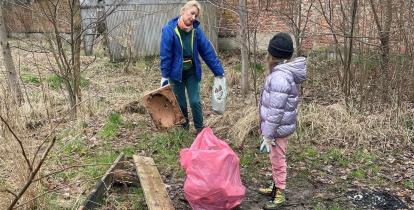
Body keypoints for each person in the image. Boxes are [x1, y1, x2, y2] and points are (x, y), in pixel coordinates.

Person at [258, 32, 307, 210]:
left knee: (278, 158)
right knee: (274, 158)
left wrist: (268, 135)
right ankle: (275, 185)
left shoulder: (279, 77)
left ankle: (280, 193)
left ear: (272, 55)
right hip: (279, 127)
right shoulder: (282, 73)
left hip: (277, 129)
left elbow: (276, 111)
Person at [160, 0, 224, 134]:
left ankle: (200, 129)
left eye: (196, 16)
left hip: (192, 72)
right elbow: (166, 54)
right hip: (176, 73)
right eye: (192, 13)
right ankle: (184, 129)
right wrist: (164, 76)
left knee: (195, 101)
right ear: (183, 11)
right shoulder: (169, 29)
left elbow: (207, 52)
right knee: (181, 103)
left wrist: (218, 72)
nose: (193, 18)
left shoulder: (196, 31)